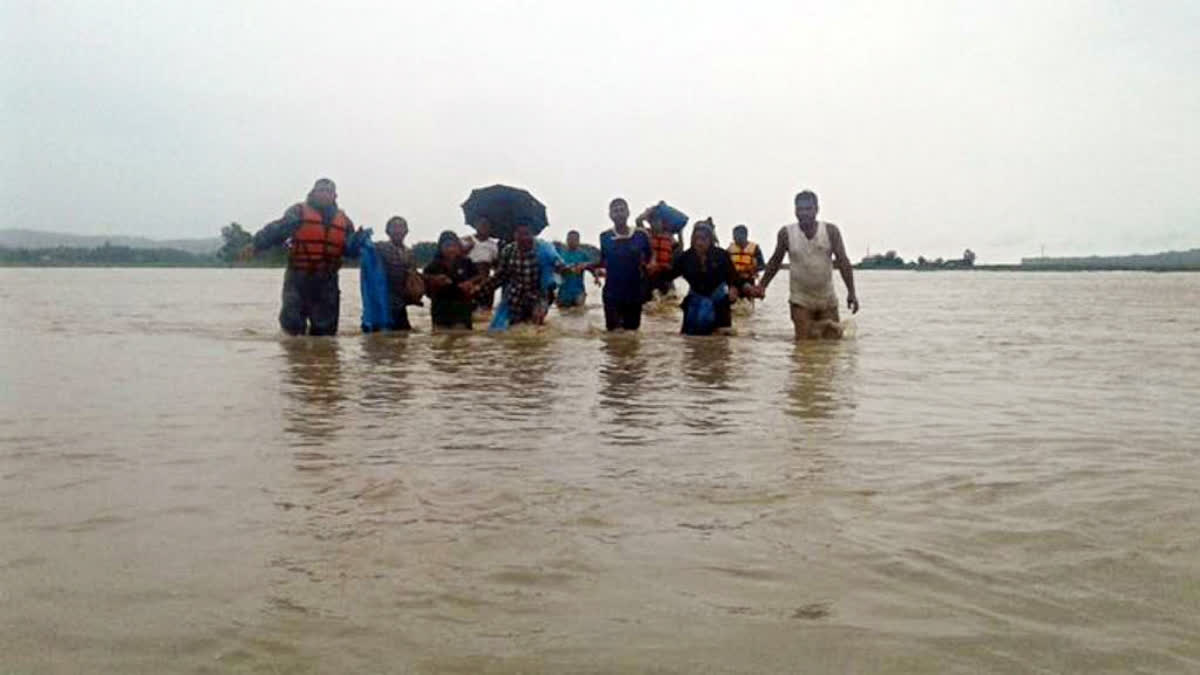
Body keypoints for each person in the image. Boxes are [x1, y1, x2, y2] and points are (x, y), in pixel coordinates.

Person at [241, 178, 363, 336]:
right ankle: (296, 358)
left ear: (335, 196)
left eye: (329, 192)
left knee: (325, 333)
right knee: (292, 328)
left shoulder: (344, 221)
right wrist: (256, 244)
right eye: (321, 190)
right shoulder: (298, 211)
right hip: (298, 277)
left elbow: (350, 249)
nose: (325, 194)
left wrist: (361, 244)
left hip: (327, 281)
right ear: (313, 193)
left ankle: (320, 359)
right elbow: (277, 230)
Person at [757, 190, 860, 339]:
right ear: (795, 210)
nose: (804, 213)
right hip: (800, 299)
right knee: (804, 346)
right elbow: (775, 261)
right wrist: (762, 286)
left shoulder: (830, 231)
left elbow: (843, 262)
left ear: (816, 210)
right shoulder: (786, 233)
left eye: (808, 209)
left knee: (832, 346)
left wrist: (851, 292)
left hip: (827, 298)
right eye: (800, 209)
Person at [660, 220, 758, 335]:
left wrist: (744, 288)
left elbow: (734, 278)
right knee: (690, 341)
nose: (699, 243)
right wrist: (653, 270)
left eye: (703, 239)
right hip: (695, 304)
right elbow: (668, 276)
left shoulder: (721, 256)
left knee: (722, 340)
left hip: (719, 303)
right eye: (696, 239)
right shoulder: (686, 258)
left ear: (710, 240)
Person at [475, 222, 565, 326]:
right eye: (520, 234)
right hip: (516, 296)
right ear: (515, 235)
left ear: (532, 235)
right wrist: (480, 290)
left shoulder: (544, 249)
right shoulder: (508, 251)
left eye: (526, 234)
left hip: (539, 295)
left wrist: (574, 269)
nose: (523, 238)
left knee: (535, 326)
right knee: (514, 327)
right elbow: (500, 276)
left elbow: (560, 265)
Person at [597, 198, 652, 331]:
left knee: (632, 334)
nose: (619, 214)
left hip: (634, 292)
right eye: (615, 211)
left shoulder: (641, 234)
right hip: (612, 293)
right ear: (610, 215)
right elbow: (602, 261)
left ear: (628, 212)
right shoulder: (605, 236)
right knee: (614, 335)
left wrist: (651, 266)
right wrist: (590, 268)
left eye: (622, 210)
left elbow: (650, 257)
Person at [423, 231, 480, 330]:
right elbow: (423, 280)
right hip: (440, 309)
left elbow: (479, 277)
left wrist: (470, 283)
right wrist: (435, 280)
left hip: (462, 308)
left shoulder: (466, 262)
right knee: (440, 339)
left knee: (462, 339)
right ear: (440, 247)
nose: (451, 249)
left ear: (458, 247)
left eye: (454, 245)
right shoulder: (433, 265)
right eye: (447, 246)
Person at [373, 216, 415, 331]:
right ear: (387, 231)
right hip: (382, 301)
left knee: (402, 336)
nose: (398, 230)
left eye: (401, 227)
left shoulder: (409, 253)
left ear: (406, 231)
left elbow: (414, 277)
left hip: (401, 302)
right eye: (394, 227)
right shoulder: (380, 247)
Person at [636, 205, 682, 300]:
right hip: (649, 275)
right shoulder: (645, 234)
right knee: (646, 301)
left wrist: (680, 233)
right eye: (652, 221)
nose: (655, 224)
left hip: (665, 275)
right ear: (649, 223)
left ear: (662, 223)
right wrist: (649, 211)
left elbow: (679, 250)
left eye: (657, 221)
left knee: (671, 300)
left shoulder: (669, 237)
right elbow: (638, 221)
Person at [463, 217, 500, 310]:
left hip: (486, 281)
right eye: (482, 224)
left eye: (487, 226)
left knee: (486, 310)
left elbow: (496, 265)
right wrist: (468, 248)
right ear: (476, 226)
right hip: (469, 280)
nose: (484, 227)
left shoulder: (493, 245)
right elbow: (458, 258)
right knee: (468, 308)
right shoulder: (466, 240)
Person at [556, 230, 594, 308]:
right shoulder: (560, 253)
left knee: (579, 313)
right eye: (570, 239)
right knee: (562, 315)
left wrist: (596, 277)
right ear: (566, 240)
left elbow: (591, 267)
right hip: (563, 292)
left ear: (578, 241)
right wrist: (564, 268)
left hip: (579, 291)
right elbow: (555, 269)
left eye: (575, 240)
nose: (572, 241)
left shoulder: (583, 254)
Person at [727, 224, 765, 289]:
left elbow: (762, 266)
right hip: (733, 281)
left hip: (749, 280)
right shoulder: (730, 249)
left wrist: (752, 269)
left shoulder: (755, 248)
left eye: (737, 236)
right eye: (734, 236)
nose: (734, 239)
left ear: (745, 236)